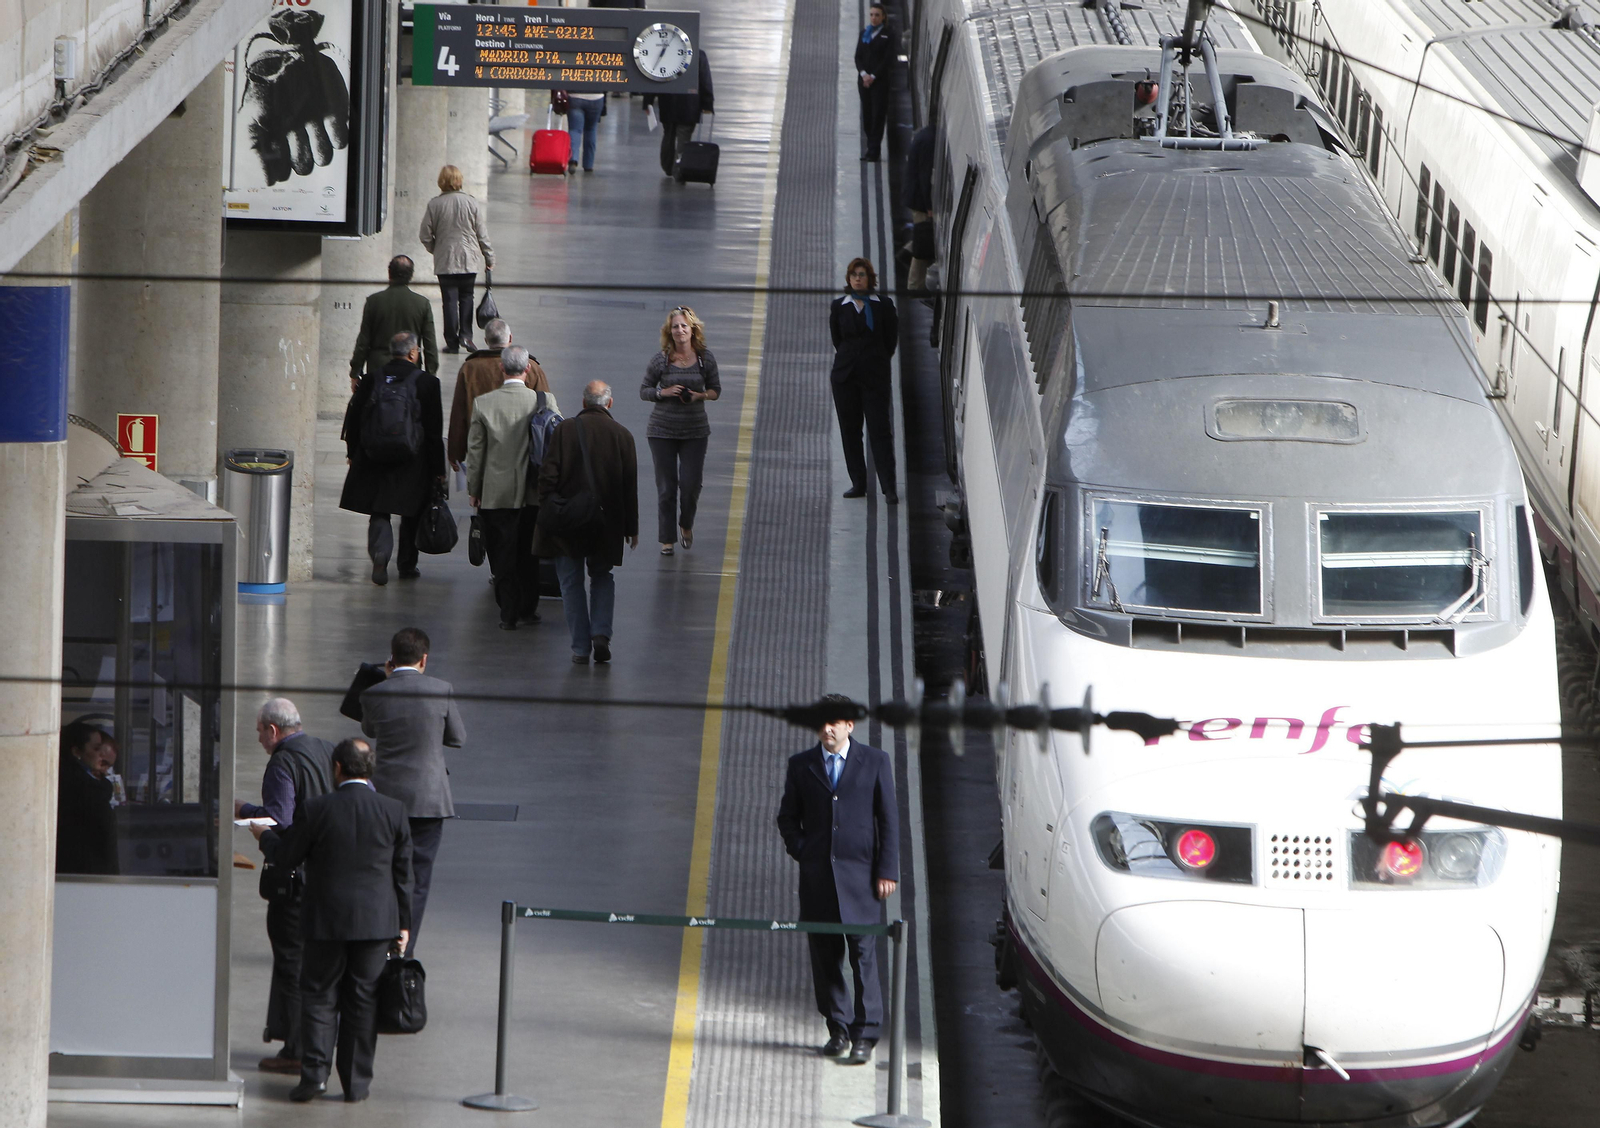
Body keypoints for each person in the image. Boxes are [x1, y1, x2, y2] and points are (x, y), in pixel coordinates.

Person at [254, 739, 411, 1104]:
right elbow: (404, 875)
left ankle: (314, 1077)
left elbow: (288, 856)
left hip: (325, 921)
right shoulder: (394, 811)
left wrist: (265, 837)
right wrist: (403, 923)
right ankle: (356, 1085)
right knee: (363, 1000)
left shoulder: (317, 809)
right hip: (375, 924)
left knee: (320, 997)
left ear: (337, 769)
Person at [776, 696, 899, 1065]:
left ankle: (866, 1031)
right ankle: (838, 1028)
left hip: (861, 879)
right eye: (821, 724)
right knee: (826, 958)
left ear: (850, 725)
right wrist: (804, 851)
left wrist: (887, 870)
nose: (827, 730)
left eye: (835, 723)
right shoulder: (801, 766)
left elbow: (888, 820)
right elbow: (787, 817)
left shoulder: (875, 762)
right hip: (819, 881)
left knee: (863, 957)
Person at [236, 698, 334, 1075]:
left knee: (291, 962)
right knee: (319, 965)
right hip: (329, 878)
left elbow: (278, 820)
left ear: (273, 730)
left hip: (295, 883)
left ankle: (296, 1048)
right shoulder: (327, 749)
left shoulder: (282, 762)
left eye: (260, 731)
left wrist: (244, 811)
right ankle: (318, 1041)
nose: (260, 739)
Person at [358, 627, 464, 955]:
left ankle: (376, 940)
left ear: (391, 658)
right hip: (429, 800)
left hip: (385, 798)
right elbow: (458, 738)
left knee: (383, 870)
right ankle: (405, 947)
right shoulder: (441, 690)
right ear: (424, 659)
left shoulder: (374, 693)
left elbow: (369, 729)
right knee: (417, 878)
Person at [531, 381, 639, 664]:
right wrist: (632, 529)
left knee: (570, 582)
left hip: (568, 520)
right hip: (606, 523)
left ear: (583, 403)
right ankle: (601, 633)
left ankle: (580, 647)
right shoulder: (623, 436)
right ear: (610, 404)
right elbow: (629, 487)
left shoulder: (565, 430)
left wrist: (549, 507)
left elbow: (547, 475)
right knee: (602, 576)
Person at [340, 332, 447, 585]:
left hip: (374, 454)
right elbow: (433, 431)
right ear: (412, 353)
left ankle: (380, 553)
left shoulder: (372, 379)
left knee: (380, 508)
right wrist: (438, 469)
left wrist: (353, 453)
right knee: (412, 510)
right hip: (413, 457)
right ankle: (407, 565)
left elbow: (355, 420)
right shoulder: (428, 383)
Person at [468, 346, 558, 629]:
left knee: (502, 553)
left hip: (497, 492)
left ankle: (507, 612)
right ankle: (528, 608)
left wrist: (474, 488)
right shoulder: (544, 400)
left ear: (501, 369)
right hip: (534, 493)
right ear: (528, 369)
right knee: (529, 553)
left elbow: (476, 452)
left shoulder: (483, 404)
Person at [640, 307, 721, 556]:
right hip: (662, 430)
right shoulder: (660, 360)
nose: (680, 330)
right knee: (666, 487)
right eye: (675, 327)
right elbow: (644, 390)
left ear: (693, 329)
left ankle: (686, 524)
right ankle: (667, 539)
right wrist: (662, 393)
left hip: (695, 432)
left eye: (684, 326)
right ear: (669, 331)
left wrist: (700, 395)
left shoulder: (704, 359)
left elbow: (716, 390)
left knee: (690, 485)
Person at [830, 258, 900, 502]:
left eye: (862, 274)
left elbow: (890, 341)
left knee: (880, 431)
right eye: (854, 274)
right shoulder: (839, 306)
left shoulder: (884, 306)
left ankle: (888, 487)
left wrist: (875, 360)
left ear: (870, 278)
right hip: (845, 377)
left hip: (875, 377)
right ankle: (858, 482)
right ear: (849, 279)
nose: (858, 278)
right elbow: (838, 339)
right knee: (850, 431)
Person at [448, 319, 552, 471]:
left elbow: (459, 414)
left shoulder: (469, 368)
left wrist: (455, 454)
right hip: (523, 454)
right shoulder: (531, 368)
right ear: (510, 338)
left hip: (484, 452)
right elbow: (546, 414)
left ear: (486, 340)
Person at [418, 165, 495, 355]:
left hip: (446, 261)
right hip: (468, 260)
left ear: (441, 181)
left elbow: (424, 235)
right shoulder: (471, 203)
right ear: (459, 180)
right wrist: (489, 257)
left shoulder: (434, 205)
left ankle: (451, 342)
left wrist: (436, 249)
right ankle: (466, 336)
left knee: (449, 301)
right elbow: (482, 234)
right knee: (467, 298)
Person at [349, 255, 438, 385]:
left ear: (389, 273)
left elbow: (363, 341)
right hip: (410, 367)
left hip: (378, 368)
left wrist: (355, 371)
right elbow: (430, 344)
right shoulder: (422, 304)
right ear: (411, 275)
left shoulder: (373, 301)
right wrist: (431, 373)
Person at [56, 717, 119, 876]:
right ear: (77, 751)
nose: (100, 756)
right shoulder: (82, 787)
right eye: (96, 749)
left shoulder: (81, 783)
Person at [645, 51, 714, 178]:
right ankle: (679, 169)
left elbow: (654, 75)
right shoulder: (699, 55)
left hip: (667, 102)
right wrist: (708, 104)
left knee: (668, 134)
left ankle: (667, 166)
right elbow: (705, 80)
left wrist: (648, 101)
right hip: (690, 104)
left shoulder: (665, 53)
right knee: (684, 138)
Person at [855, 3, 897, 162]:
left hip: (879, 82)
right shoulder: (864, 34)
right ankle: (870, 147)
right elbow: (857, 57)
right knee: (867, 114)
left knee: (878, 115)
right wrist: (864, 75)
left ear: (883, 17)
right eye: (872, 14)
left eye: (877, 15)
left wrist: (873, 76)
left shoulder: (888, 35)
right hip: (864, 82)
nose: (873, 18)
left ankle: (874, 151)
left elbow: (887, 59)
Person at [902, 125, 936, 290]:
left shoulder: (926, 135)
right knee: (924, 241)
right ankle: (915, 286)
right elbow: (925, 175)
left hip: (915, 196)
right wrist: (929, 206)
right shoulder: (930, 141)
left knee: (922, 235)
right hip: (920, 200)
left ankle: (905, 253)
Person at [567, 92, 605, 173]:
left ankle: (573, 159)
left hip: (575, 96)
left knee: (575, 130)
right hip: (596, 97)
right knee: (591, 129)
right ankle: (588, 164)